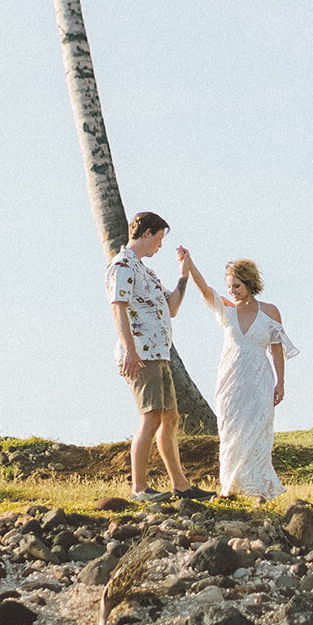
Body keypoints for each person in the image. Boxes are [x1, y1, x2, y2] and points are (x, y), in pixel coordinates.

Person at [106, 212, 213, 504]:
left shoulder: (147, 272)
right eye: (160, 238)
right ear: (148, 233)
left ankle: (181, 485)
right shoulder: (122, 265)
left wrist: (184, 274)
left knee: (170, 417)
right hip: (141, 354)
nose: (161, 246)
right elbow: (118, 307)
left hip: (160, 353)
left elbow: (172, 307)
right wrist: (129, 349)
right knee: (151, 418)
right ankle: (139, 489)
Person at [177, 248, 297, 500]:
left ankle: (259, 492)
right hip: (230, 380)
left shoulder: (271, 312)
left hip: (259, 380)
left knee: (257, 433)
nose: (232, 291)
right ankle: (229, 488)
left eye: (237, 286)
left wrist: (280, 383)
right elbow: (205, 289)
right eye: (230, 286)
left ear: (250, 283)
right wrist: (189, 263)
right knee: (230, 431)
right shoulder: (227, 310)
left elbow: (277, 351)